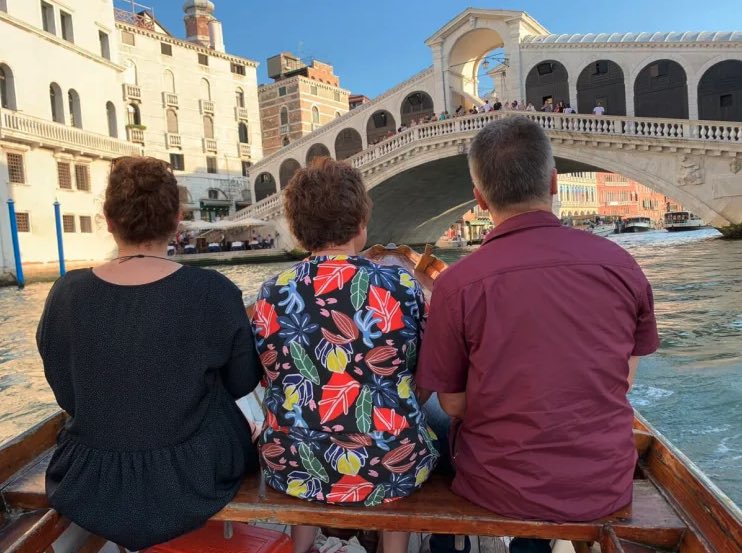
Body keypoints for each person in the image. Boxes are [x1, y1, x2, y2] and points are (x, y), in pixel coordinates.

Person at [416, 117, 659, 553]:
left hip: (498, 485)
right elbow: (623, 380)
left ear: (479, 198)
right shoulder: (622, 265)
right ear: (553, 183)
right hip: (604, 482)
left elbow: (453, 404)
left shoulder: (457, 285)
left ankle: (446, 542)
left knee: (429, 412)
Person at [37, 156, 262, 551]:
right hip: (194, 473)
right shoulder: (212, 291)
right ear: (177, 220)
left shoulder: (66, 293)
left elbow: (67, 394)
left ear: (108, 220)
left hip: (90, 475)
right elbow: (243, 382)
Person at [253, 158, 439, 553]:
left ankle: (301, 547)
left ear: (298, 230)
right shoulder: (401, 285)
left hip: (292, 463)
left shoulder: (271, 292)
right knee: (398, 428)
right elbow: (424, 376)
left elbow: (272, 377)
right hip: (388, 467)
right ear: (361, 224)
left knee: (300, 409)